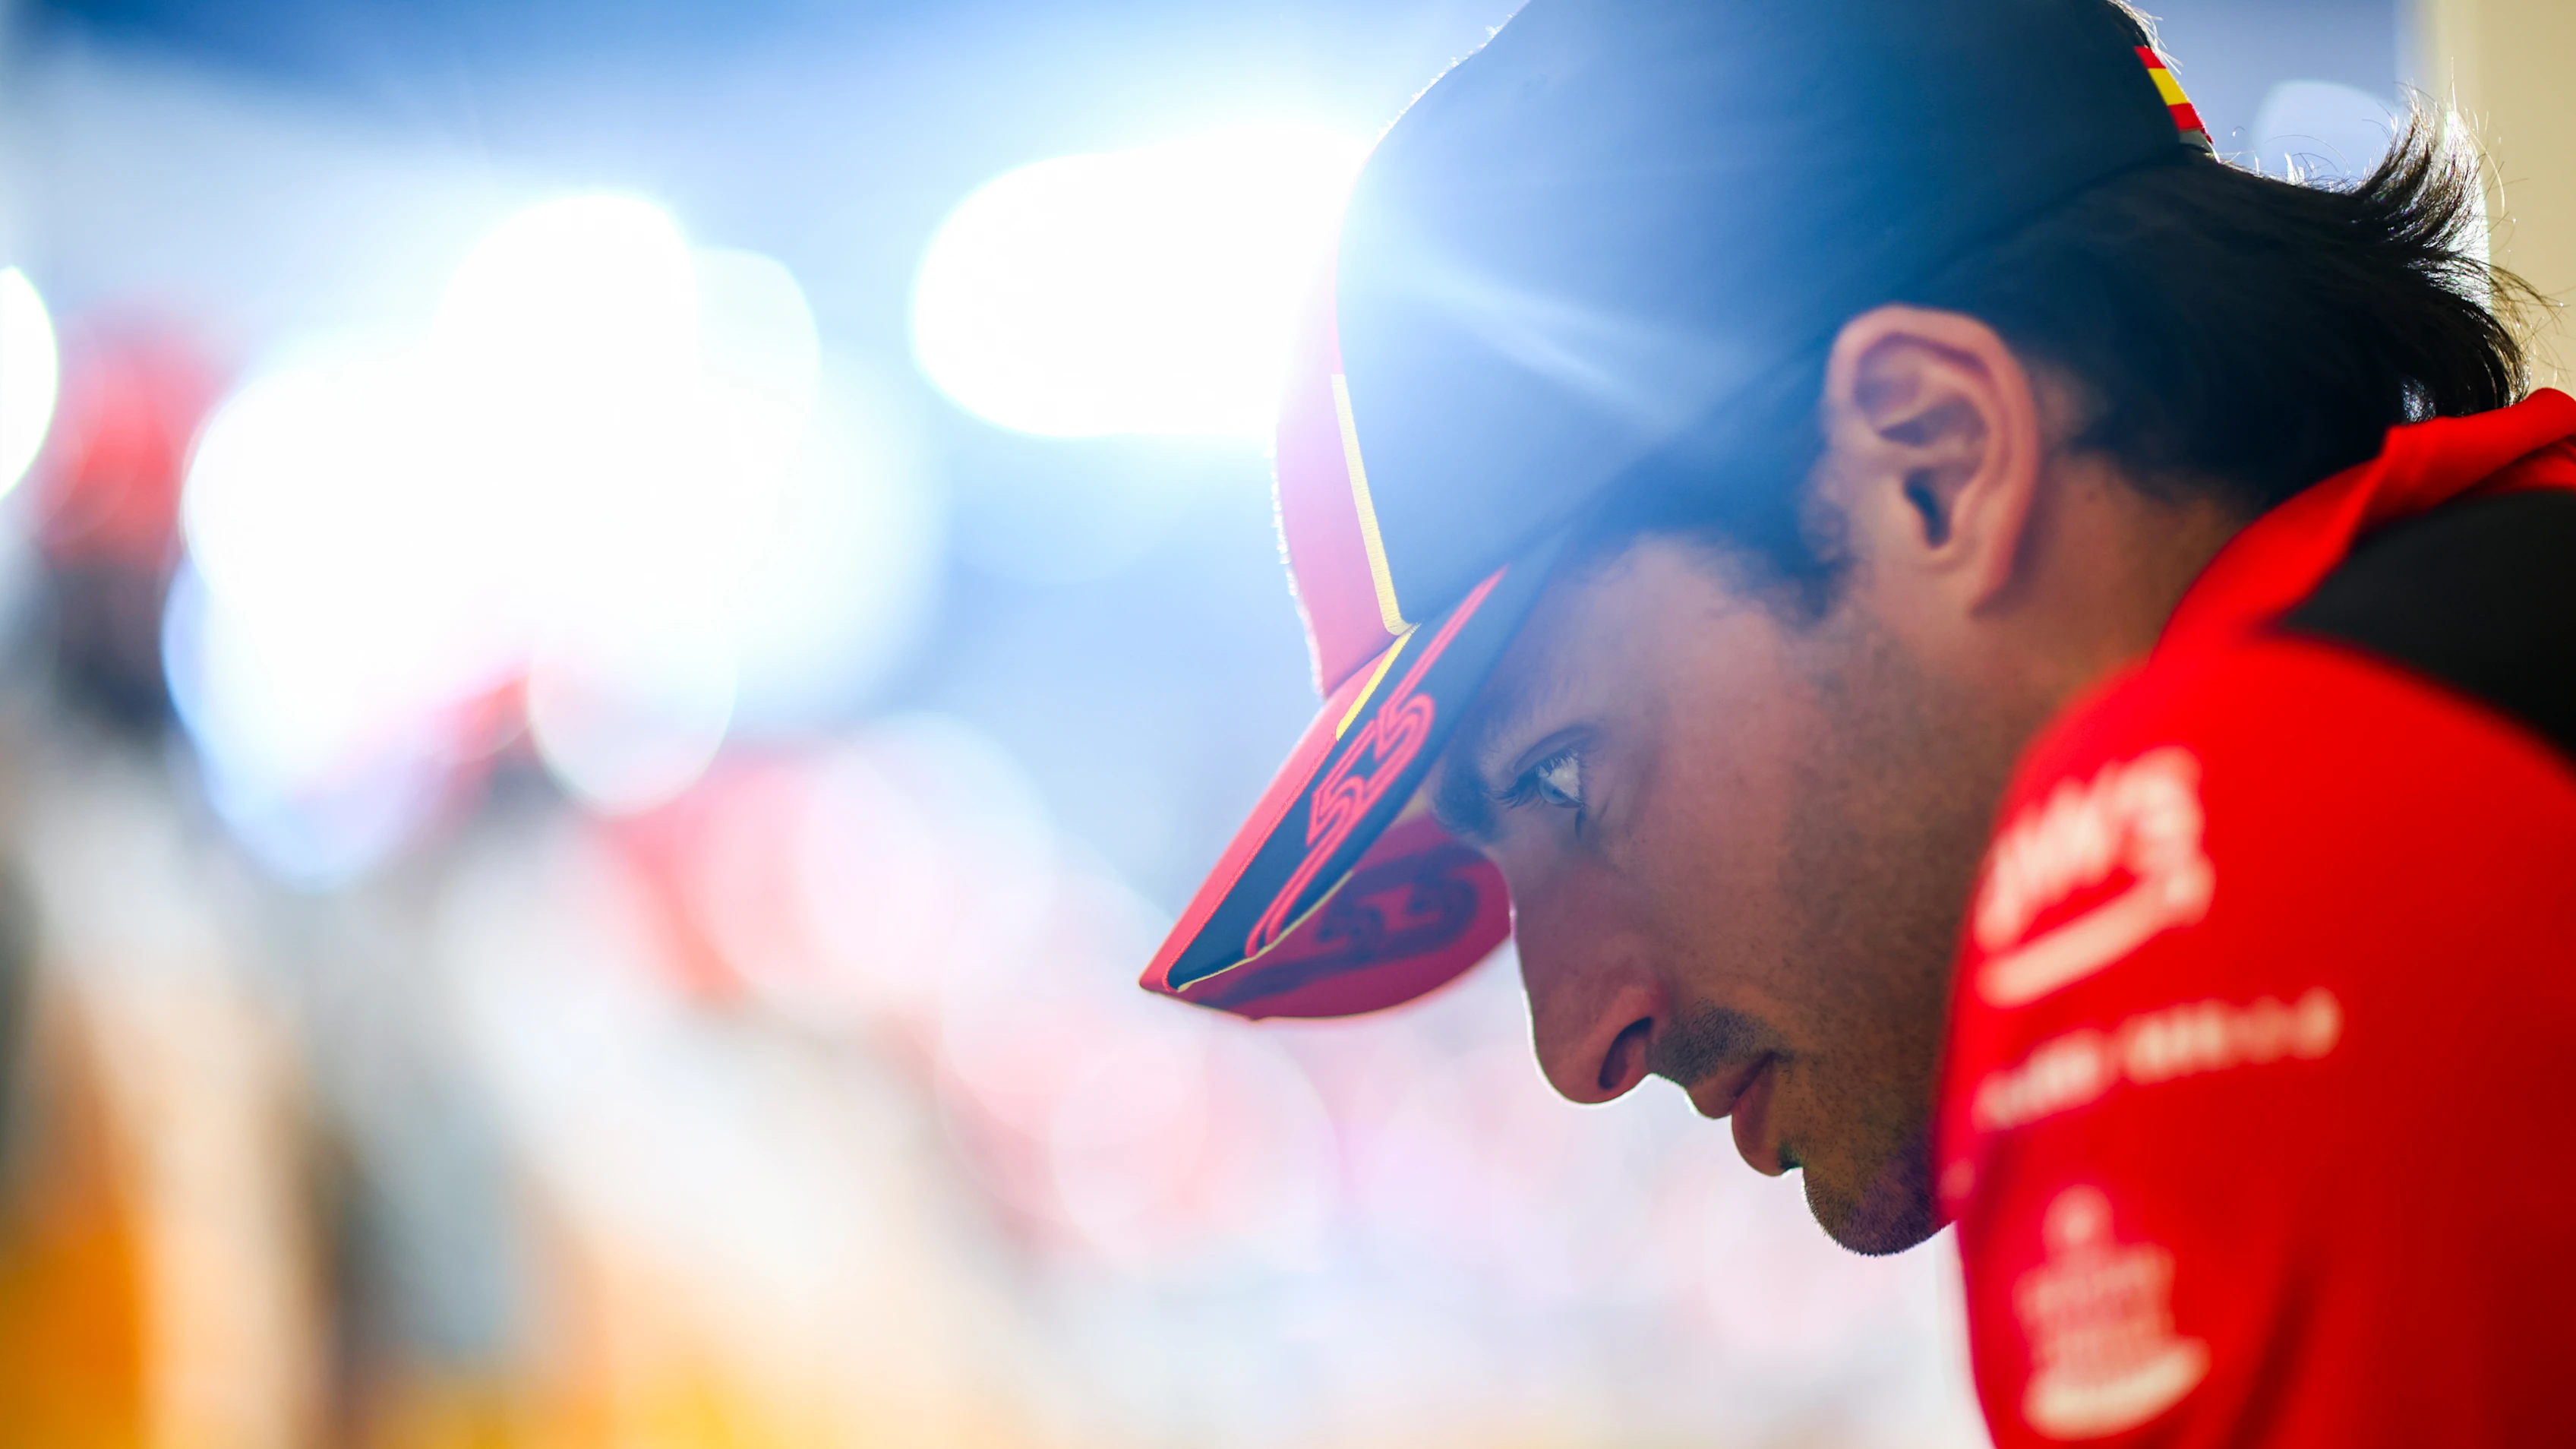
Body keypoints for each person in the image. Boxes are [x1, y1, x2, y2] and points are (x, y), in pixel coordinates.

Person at [1136, 0, 2576, 1441]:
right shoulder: (2493, 645)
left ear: (1937, 465)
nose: (1578, 1045)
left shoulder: (2225, 854)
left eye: (1564, 781)